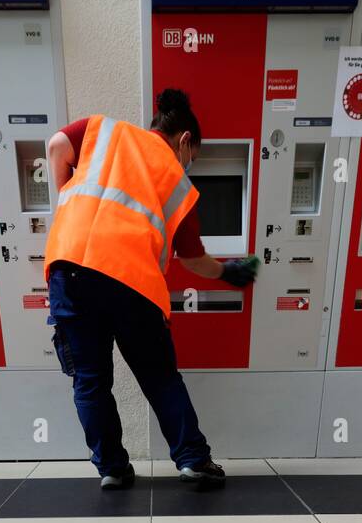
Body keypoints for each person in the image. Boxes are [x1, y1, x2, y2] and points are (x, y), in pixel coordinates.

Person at [44, 89, 258, 488]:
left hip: (69, 268)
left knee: (89, 379)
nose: (188, 165)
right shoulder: (175, 178)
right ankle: (192, 460)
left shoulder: (102, 130)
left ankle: (111, 468)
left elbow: (57, 145)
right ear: (184, 141)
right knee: (159, 376)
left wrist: (65, 202)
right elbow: (194, 260)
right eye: (191, 157)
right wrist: (231, 272)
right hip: (131, 280)